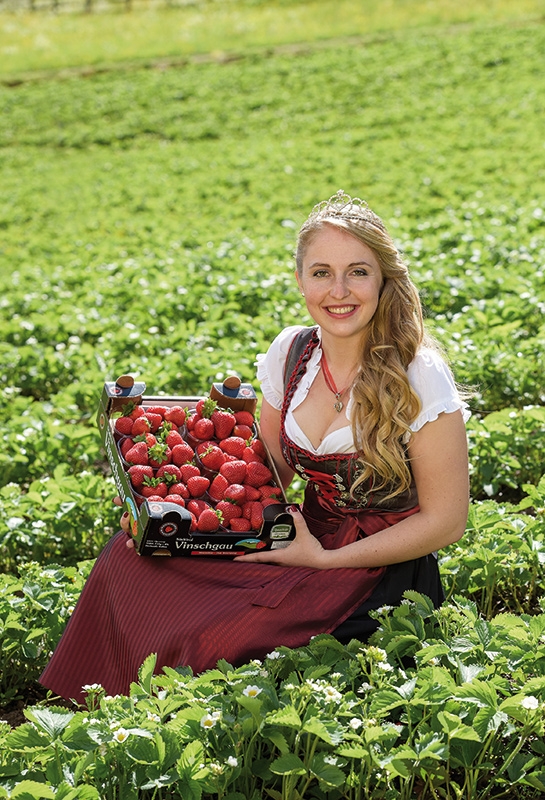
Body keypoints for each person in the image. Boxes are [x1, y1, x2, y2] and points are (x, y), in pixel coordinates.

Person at [40, 191, 470, 704]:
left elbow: (446, 521)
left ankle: (172, 723)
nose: (338, 291)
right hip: (295, 535)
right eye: (321, 273)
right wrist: (168, 519)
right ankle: (106, 714)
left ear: (383, 279)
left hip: (381, 569)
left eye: (358, 272)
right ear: (300, 280)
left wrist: (323, 561)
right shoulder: (292, 353)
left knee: (218, 637)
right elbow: (265, 476)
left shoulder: (418, 373)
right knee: (129, 561)